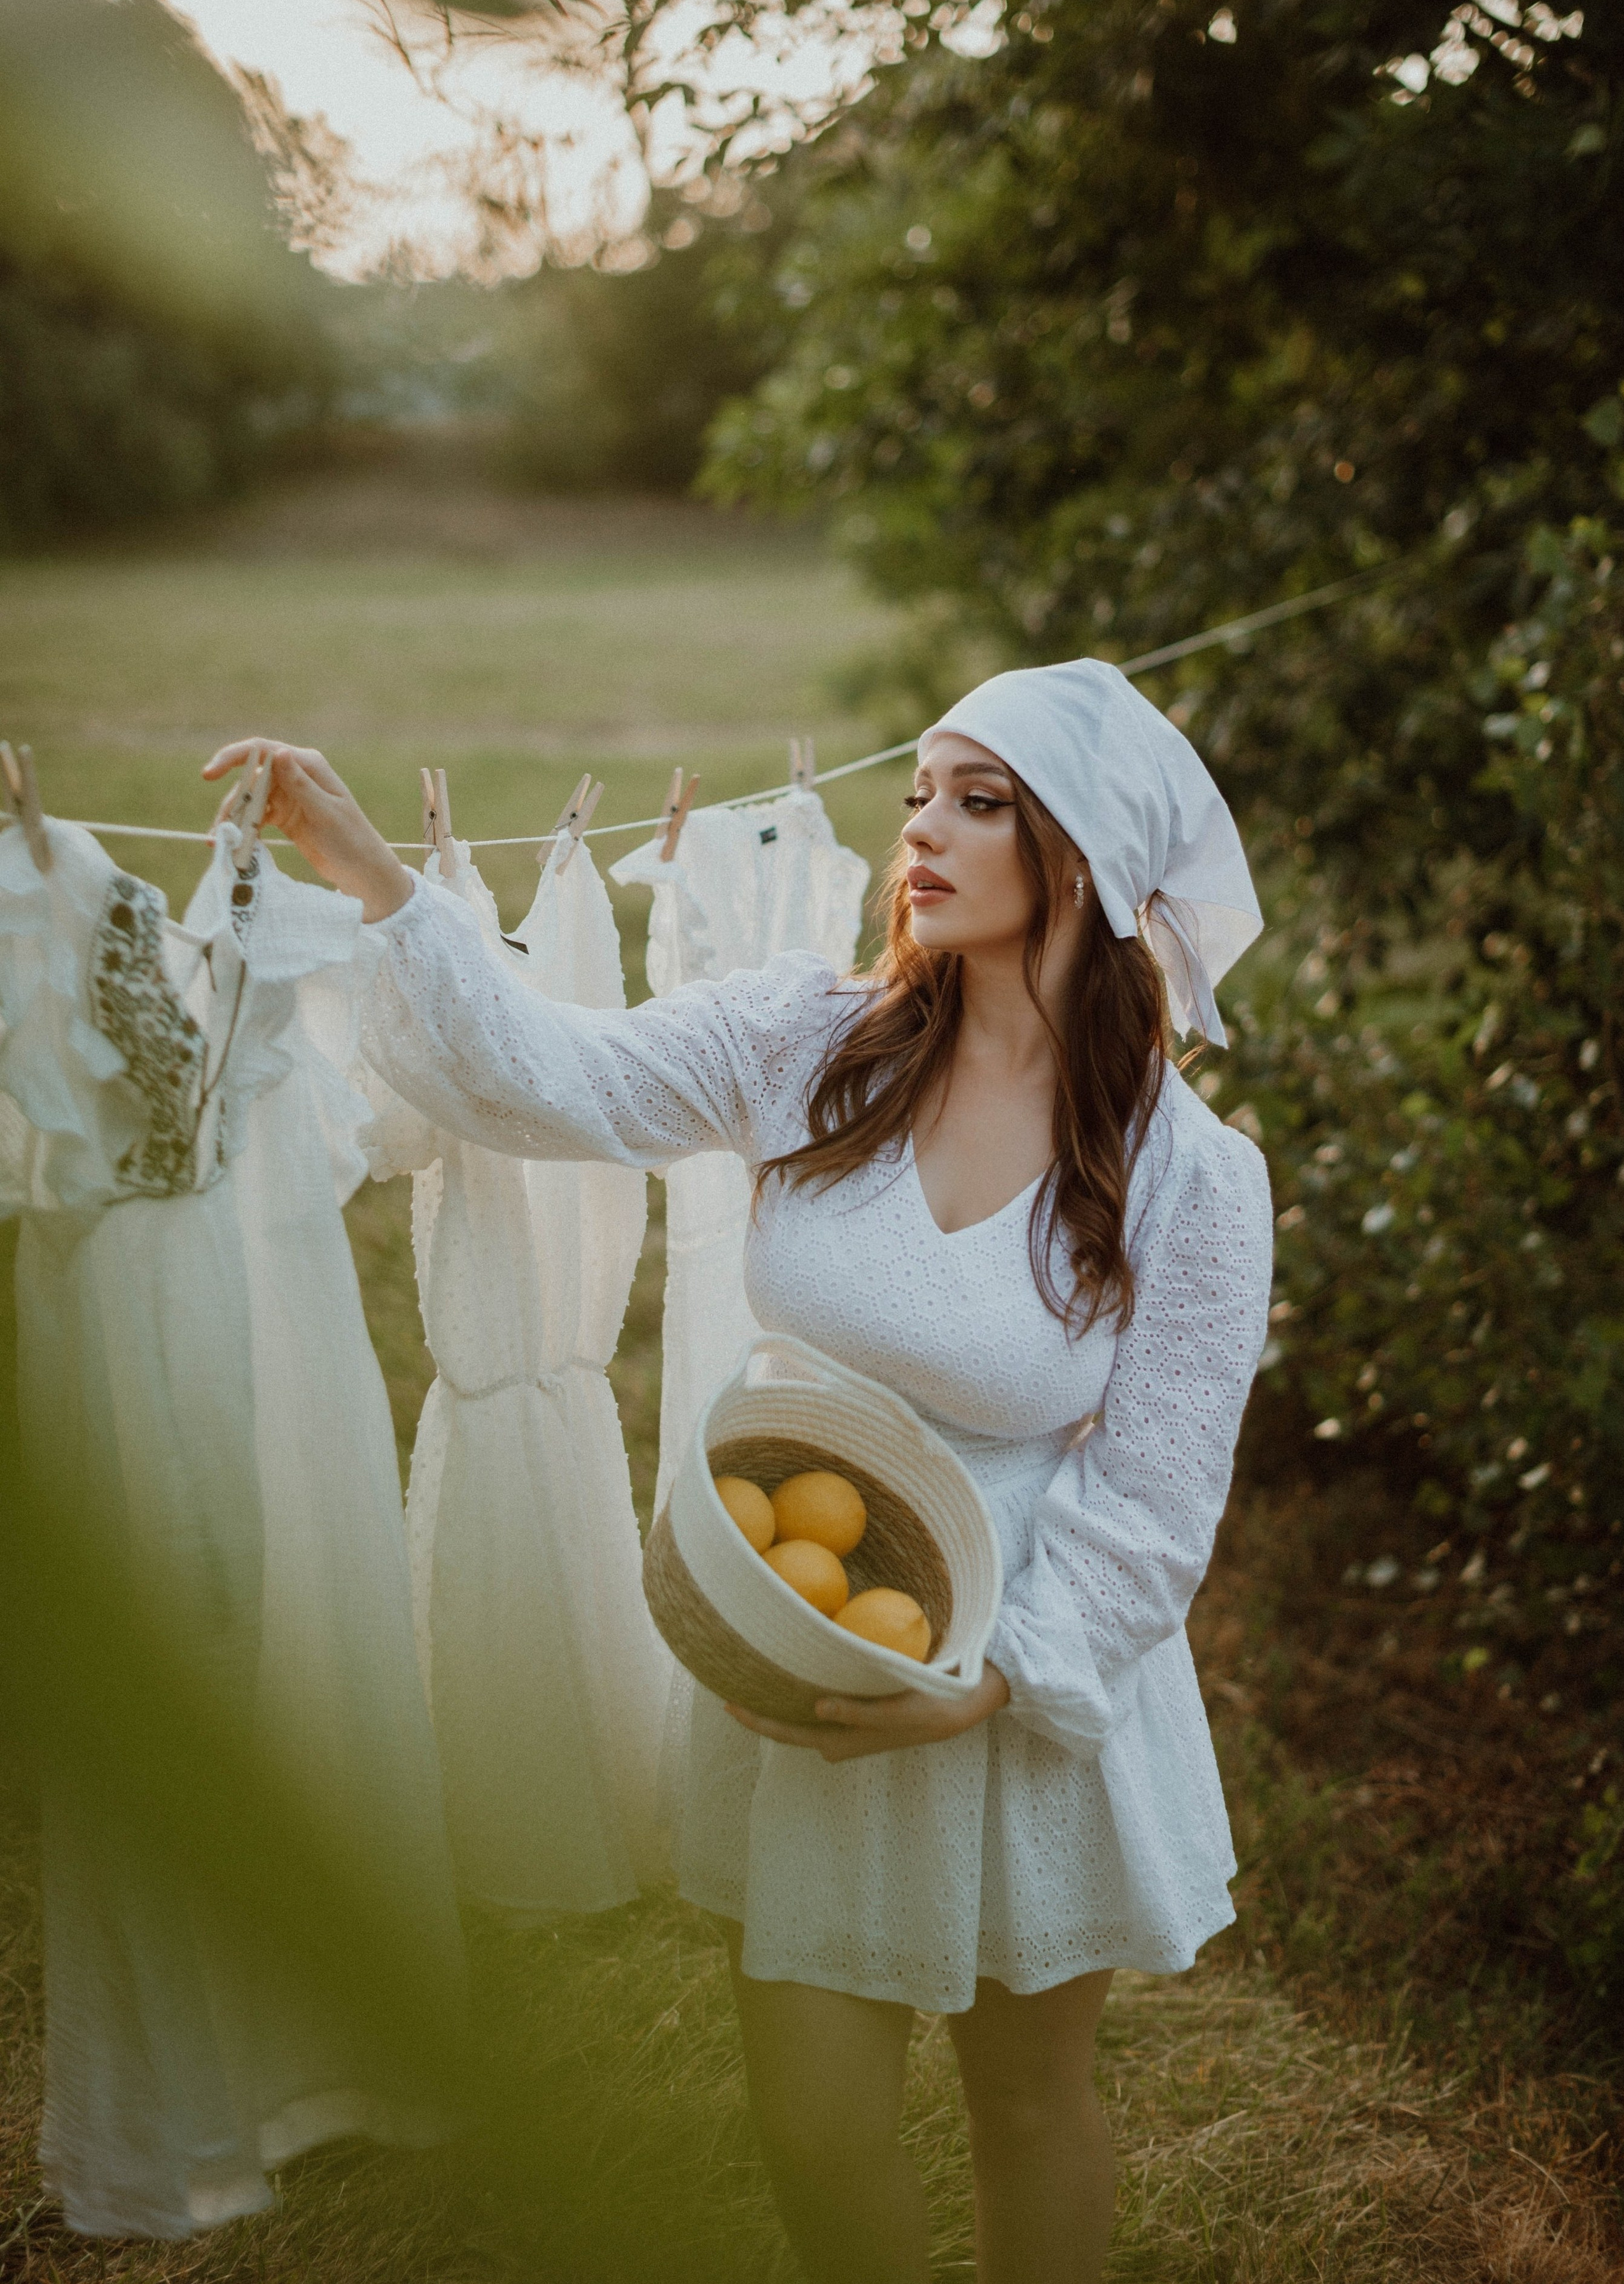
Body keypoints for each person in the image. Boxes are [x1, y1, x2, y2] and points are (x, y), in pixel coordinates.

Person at [204, 659, 1272, 2284]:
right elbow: (540, 1075)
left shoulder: (1187, 1170)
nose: (919, 828)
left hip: (1035, 1666)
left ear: (1084, 859)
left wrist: (987, 1684)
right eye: (918, 789)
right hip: (804, 1618)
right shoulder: (810, 1039)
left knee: (1030, 2110)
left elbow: (1153, 1499)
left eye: (977, 802)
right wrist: (371, 869)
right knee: (811, 2126)